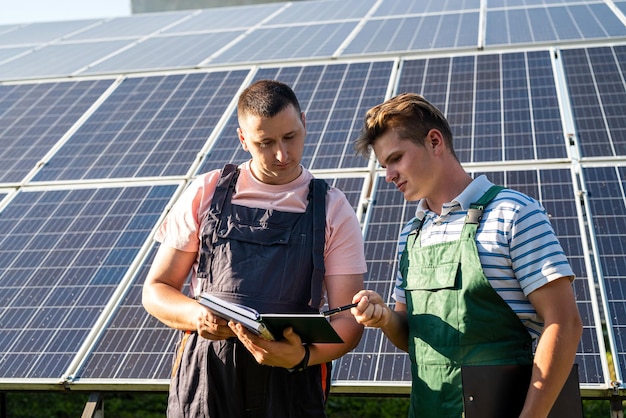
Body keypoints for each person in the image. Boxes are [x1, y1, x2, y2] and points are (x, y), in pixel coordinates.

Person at [142, 79, 366, 418]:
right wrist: (196, 316)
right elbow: (156, 289)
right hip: (207, 374)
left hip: (291, 378)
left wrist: (302, 357)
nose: (282, 154)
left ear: (304, 122)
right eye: (265, 143)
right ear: (243, 139)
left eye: (291, 136)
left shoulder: (334, 208)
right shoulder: (206, 191)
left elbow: (348, 317)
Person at [350, 93, 582, 418]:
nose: (388, 175)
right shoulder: (411, 234)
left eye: (396, 158)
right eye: (384, 164)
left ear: (434, 141)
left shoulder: (514, 213)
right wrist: (386, 318)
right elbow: (416, 337)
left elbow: (565, 323)